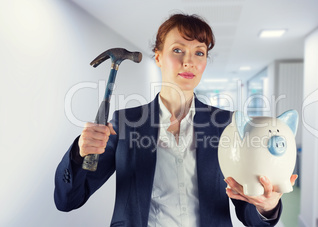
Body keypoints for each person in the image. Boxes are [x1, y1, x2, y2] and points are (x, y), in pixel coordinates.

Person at [54, 13, 297, 227]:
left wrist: (267, 207)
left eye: (199, 53)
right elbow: (68, 200)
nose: (189, 61)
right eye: (178, 50)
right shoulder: (125, 123)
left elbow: (247, 209)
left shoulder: (226, 124)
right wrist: (79, 152)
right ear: (158, 57)